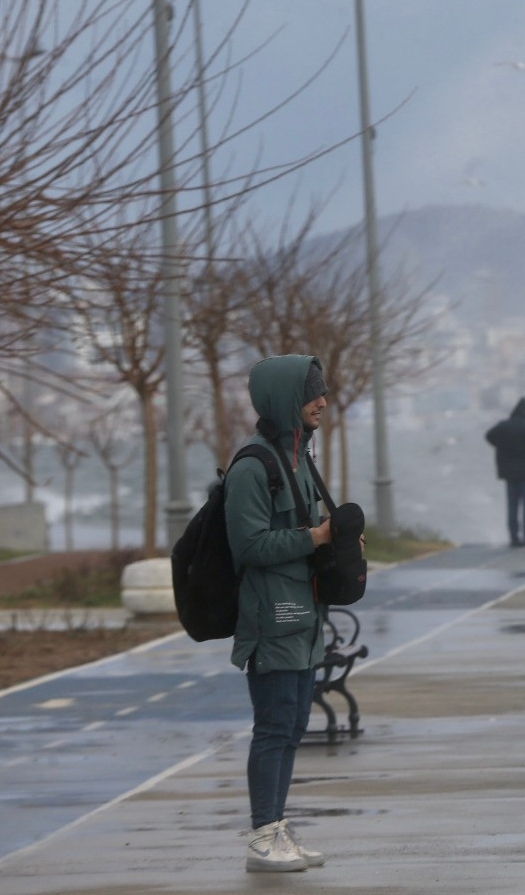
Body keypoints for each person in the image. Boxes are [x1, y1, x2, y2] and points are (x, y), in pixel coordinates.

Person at [225, 354, 334, 872]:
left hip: (304, 613)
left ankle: (277, 825)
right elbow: (247, 545)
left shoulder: (298, 456)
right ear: (287, 399)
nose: (322, 401)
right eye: (313, 392)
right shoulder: (253, 465)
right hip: (273, 616)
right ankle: (262, 836)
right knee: (272, 726)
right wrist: (313, 537)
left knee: (293, 725)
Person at [485, 396, 525, 547]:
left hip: (509, 473)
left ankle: (513, 537)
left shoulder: (504, 426)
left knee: (512, 506)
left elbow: (489, 436)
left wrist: (501, 446)